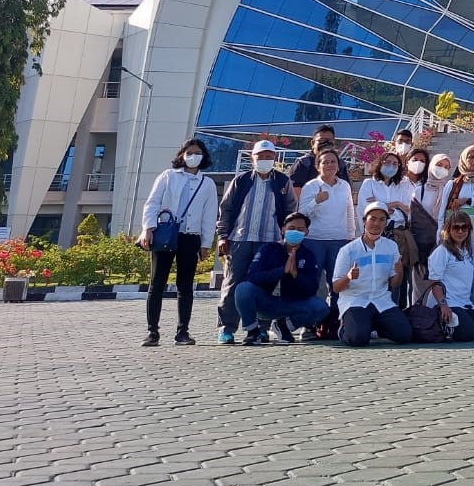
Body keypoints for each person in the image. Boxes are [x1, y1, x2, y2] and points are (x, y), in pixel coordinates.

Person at [137, 138, 218, 347]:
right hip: (165, 233)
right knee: (157, 284)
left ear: (204, 156)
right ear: (182, 154)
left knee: (185, 286)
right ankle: (152, 332)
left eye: (197, 152)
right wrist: (148, 229)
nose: (193, 156)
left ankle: (183, 332)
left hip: (190, 237)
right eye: (189, 152)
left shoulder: (207, 183)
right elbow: (152, 203)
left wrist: (206, 244)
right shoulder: (168, 176)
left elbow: (209, 215)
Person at [214, 140, 295, 345]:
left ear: (275, 158)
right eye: (261, 156)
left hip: (269, 241)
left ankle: (261, 328)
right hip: (240, 238)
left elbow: (290, 212)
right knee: (232, 283)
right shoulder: (240, 181)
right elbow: (226, 210)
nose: (265, 160)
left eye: (269, 156)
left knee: (264, 286)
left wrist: (288, 239)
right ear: (253, 158)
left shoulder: (283, 182)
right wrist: (223, 236)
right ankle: (227, 328)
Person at [233, 211, 331, 345]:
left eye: (300, 229)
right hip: (265, 302)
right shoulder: (269, 249)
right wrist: (281, 271)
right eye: (291, 228)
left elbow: (311, 289)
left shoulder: (308, 255)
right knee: (243, 289)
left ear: (306, 232)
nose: (295, 232)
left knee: (321, 307)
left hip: (290, 303)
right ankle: (252, 332)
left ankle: (283, 326)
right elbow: (252, 276)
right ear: (283, 230)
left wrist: (296, 275)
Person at [332, 202, 413, 347]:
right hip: (355, 301)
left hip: (381, 301)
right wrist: (348, 277)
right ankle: (345, 328)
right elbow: (336, 288)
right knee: (358, 339)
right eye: (373, 219)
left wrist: (399, 273)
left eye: (382, 219)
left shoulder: (391, 246)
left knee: (404, 334)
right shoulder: (348, 250)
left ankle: (372, 325)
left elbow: (394, 284)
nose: (377, 224)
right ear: (364, 221)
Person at [296, 146, 358, 327]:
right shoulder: (311, 186)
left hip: (338, 240)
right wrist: (316, 200)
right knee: (313, 283)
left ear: (338, 166)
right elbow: (301, 215)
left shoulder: (344, 185)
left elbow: (349, 211)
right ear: (318, 166)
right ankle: (309, 324)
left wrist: (351, 235)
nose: (330, 165)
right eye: (325, 162)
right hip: (314, 239)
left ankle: (335, 323)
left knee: (338, 283)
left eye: (333, 162)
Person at [358, 149, 417, 303]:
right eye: (387, 162)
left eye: (395, 163)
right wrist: (396, 204)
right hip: (376, 235)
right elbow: (367, 209)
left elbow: (408, 210)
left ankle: (396, 310)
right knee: (376, 274)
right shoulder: (369, 183)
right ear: (380, 163)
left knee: (398, 274)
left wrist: (381, 204)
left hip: (397, 235)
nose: (391, 166)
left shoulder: (404, 185)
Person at [425, 210, 474, 342]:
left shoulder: (467, 251)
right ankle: (442, 323)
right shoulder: (442, 251)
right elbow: (434, 282)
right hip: (447, 302)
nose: (460, 231)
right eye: (456, 227)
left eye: (464, 227)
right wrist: (443, 305)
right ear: (448, 229)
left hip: (464, 302)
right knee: (467, 334)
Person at [438, 144, 474, 211]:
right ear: (464, 160)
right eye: (471, 157)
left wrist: (468, 201)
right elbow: (442, 210)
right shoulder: (452, 184)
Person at [287, 126, 337, 195]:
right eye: (322, 140)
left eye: (329, 141)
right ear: (313, 143)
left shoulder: (339, 163)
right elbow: (294, 193)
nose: (326, 144)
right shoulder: (303, 163)